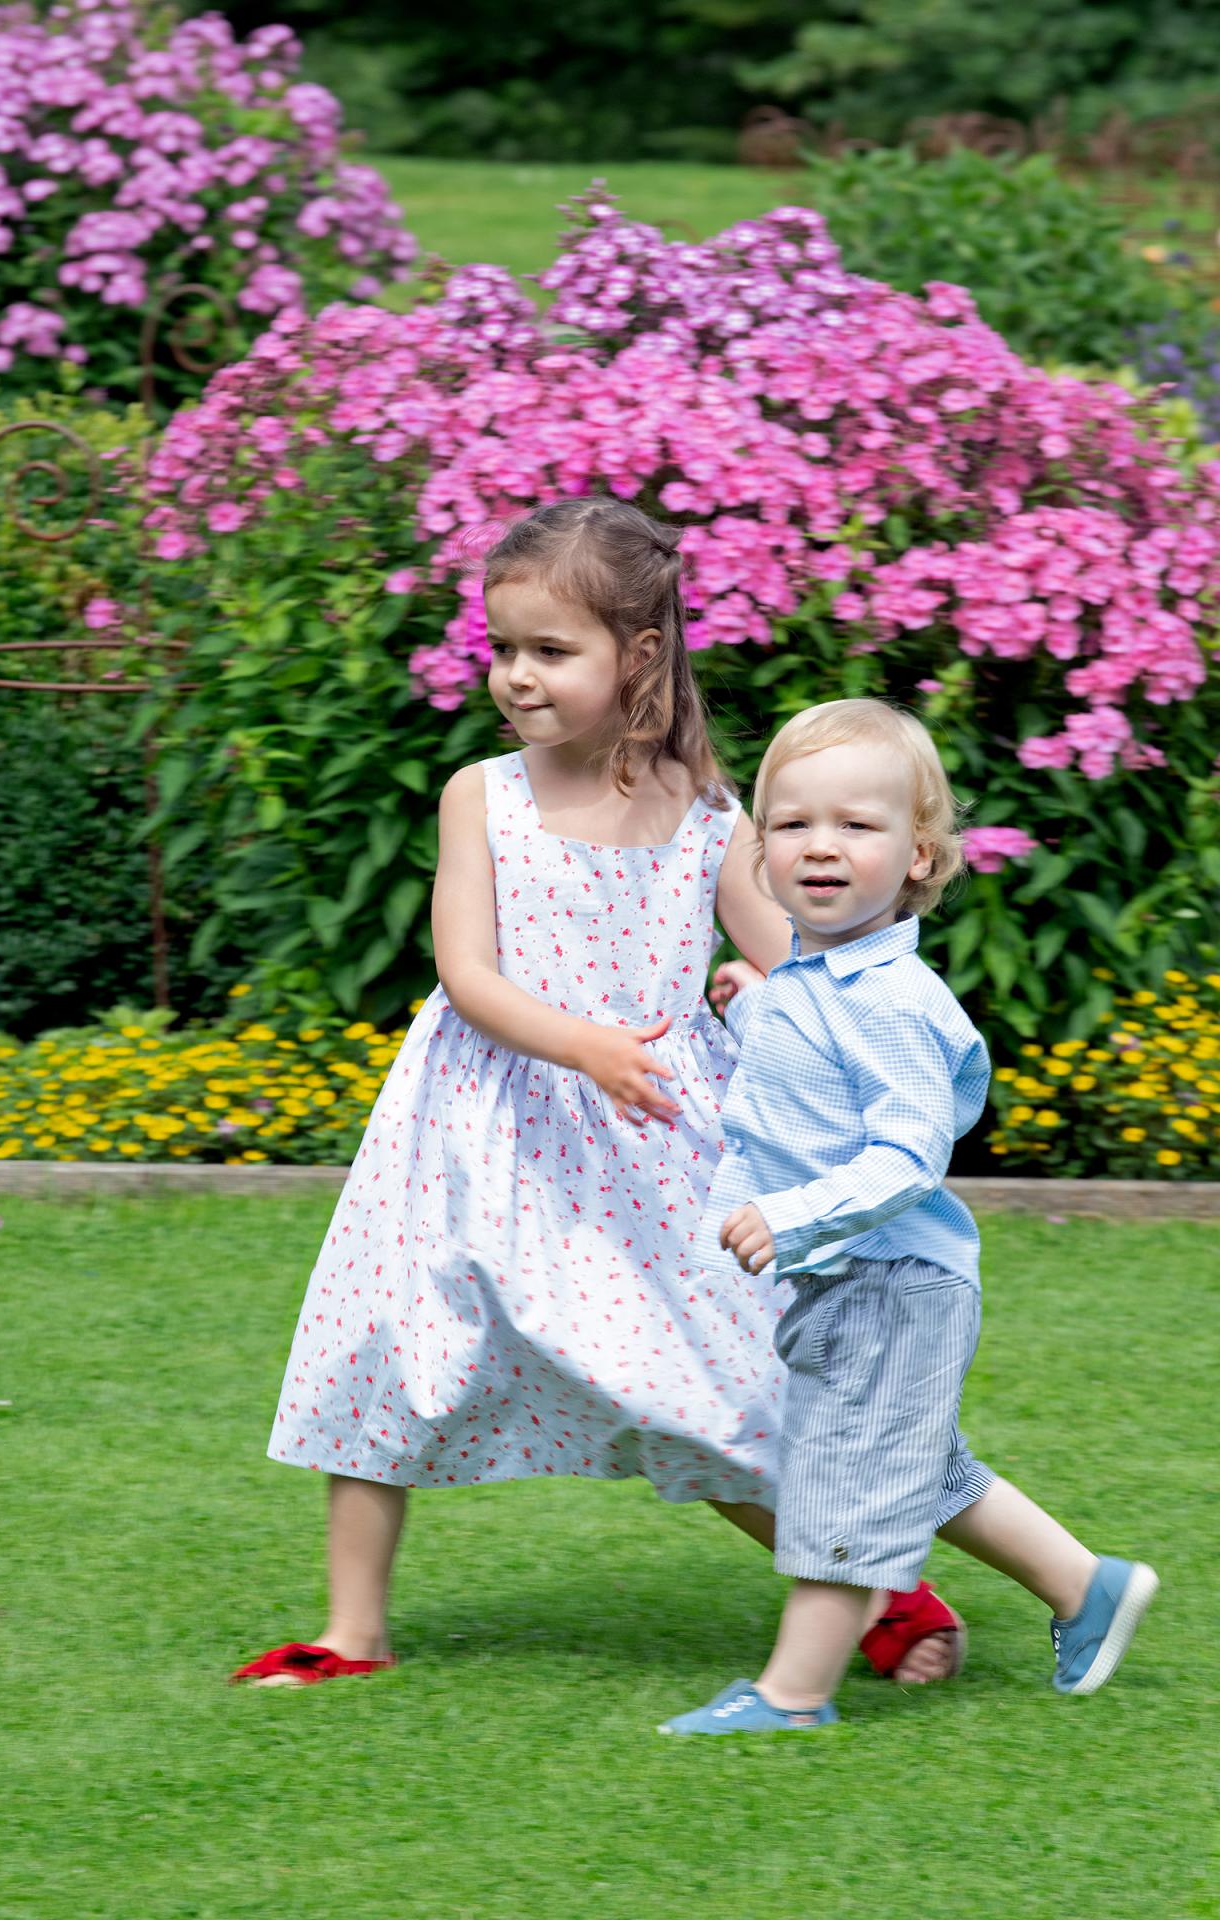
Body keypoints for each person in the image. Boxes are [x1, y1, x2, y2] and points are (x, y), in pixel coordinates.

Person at [233, 502, 964, 1688]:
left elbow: (800, 962)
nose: (515, 676)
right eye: (502, 646)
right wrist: (582, 1045)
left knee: (698, 1384)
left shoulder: (711, 816)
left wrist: (767, 998)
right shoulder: (482, 794)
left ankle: (873, 1585)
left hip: (645, 1144)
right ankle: (350, 1632)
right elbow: (467, 976)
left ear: (637, 652)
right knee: (386, 1345)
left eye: (548, 650)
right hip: (470, 1127)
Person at [660, 698, 1159, 1735]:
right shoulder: (810, 976)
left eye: (855, 825)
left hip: (889, 1277)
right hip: (843, 1278)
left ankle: (791, 1694)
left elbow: (904, 1153)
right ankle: (1084, 1585)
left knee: (841, 1482)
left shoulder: (894, 1000)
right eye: (791, 824)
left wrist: (791, 1216)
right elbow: (811, 1075)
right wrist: (749, 1007)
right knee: (911, 1463)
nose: (819, 846)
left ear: (918, 855)